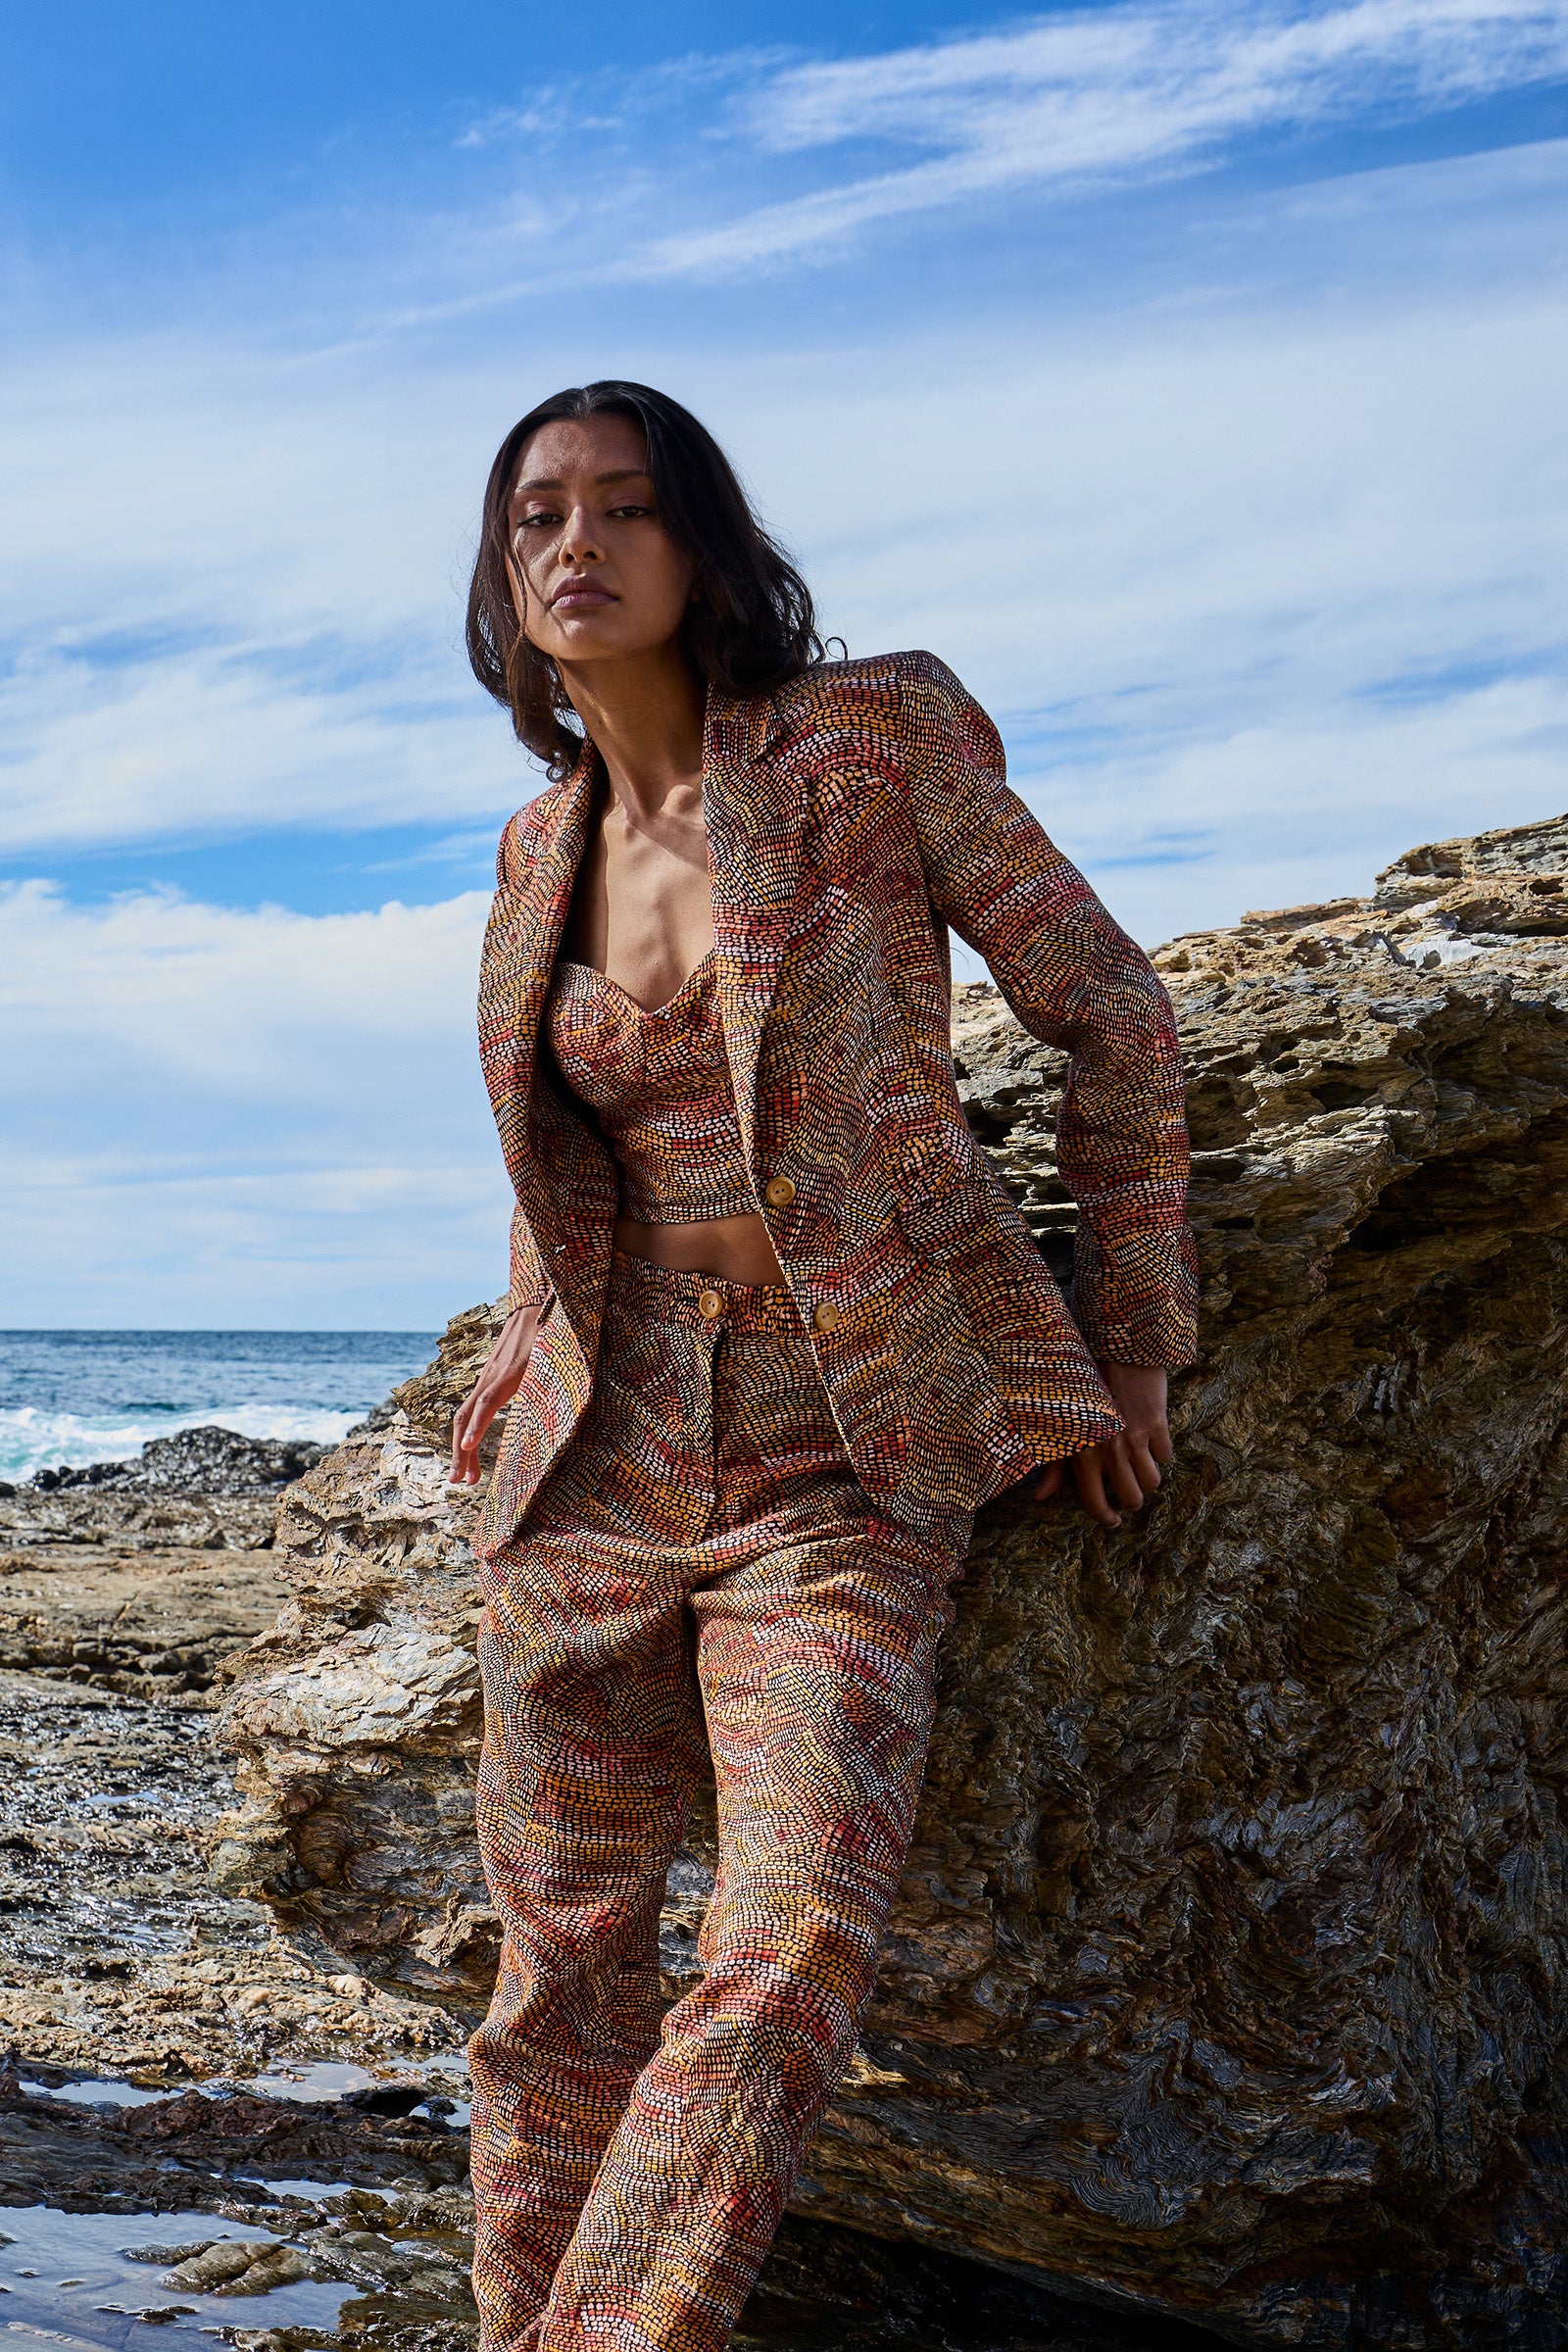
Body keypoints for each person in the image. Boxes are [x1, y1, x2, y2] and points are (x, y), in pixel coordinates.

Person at [450, 379, 1198, 2352]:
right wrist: (528, 1319)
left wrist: (1132, 1342)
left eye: (623, 505)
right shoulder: (536, 853)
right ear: (497, 569)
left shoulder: (873, 746)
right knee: (556, 1984)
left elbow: (1112, 1019)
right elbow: (572, 1149)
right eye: (535, 515)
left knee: (779, 1959)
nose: (573, 544)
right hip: (593, 1465)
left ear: (702, 541)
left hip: (843, 1452)